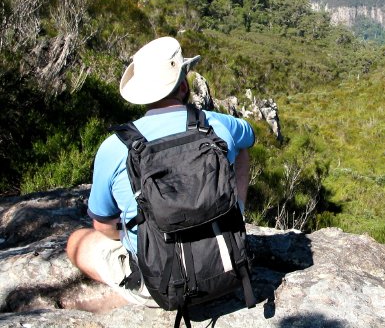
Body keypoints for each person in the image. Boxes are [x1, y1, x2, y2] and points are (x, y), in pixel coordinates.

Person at [66, 36, 255, 305]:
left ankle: (131, 287)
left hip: (160, 286)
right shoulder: (218, 125)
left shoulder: (115, 147)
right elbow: (248, 138)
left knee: (77, 241)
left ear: (141, 95)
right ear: (184, 86)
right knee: (241, 147)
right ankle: (233, 219)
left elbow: (103, 225)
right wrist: (237, 207)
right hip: (229, 266)